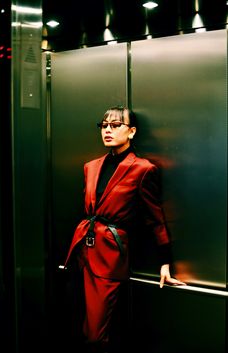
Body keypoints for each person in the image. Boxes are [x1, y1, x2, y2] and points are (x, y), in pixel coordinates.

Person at [60, 105, 185, 353]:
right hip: (81, 252)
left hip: (110, 255)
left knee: (98, 332)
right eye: (104, 125)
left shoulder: (142, 169)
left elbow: (155, 219)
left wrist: (165, 262)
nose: (108, 130)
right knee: (76, 325)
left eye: (116, 125)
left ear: (131, 131)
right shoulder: (91, 167)